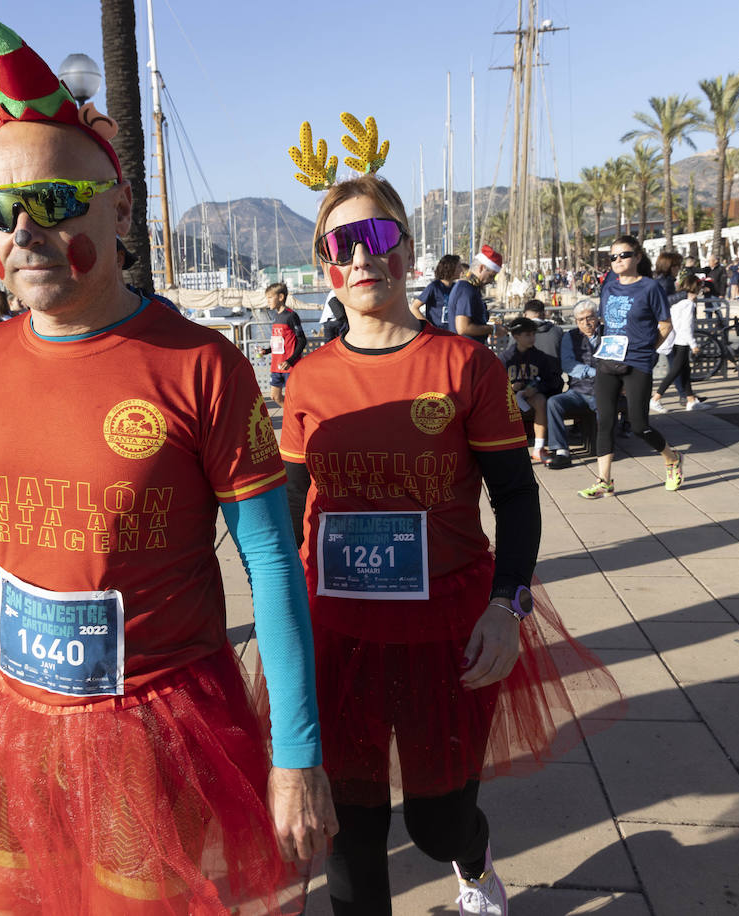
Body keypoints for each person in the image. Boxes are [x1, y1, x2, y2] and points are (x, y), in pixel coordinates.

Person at [0, 8, 336, 913]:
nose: (24, 230)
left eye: (57, 202)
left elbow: (272, 560)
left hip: (156, 726)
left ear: (118, 206)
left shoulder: (200, 366)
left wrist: (297, 755)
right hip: (14, 720)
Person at [279, 171, 618, 915]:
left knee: (438, 823)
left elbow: (518, 498)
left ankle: (474, 861)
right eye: (343, 244)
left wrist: (509, 606)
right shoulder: (306, 380)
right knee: (352, 829)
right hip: (336, 629)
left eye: (379, 238)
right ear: (324, 268)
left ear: (407, 250)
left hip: (449, 625)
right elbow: (281, 508)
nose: (363, 258)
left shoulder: (467, 366)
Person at [579, 235, 685, 498]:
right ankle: (604, 480)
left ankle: (671, 458)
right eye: (612, 256)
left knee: (639, 425)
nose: (617, 260)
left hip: (637, 362)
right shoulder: (609, 285)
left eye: (623, 255)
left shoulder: (650, 287)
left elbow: (665, 325)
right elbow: (607, 321)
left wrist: (648, 350)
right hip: (608, 360)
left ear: (637, 257)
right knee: (604, 421)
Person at [545, 302, 603, 470]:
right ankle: (561, 451)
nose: (586, 323)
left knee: (605, 404)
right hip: (578, 390)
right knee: (553, 403)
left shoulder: (607, 334)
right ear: (576, 322)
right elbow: (568, 365)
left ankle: (604, 446)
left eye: (589, 318)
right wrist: (594, 372)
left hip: (603, 389)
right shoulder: (569, 337)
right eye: (581, 320)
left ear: (597, 318)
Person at [501, 315, 562, 462]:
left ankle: (538, 448)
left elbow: (552, 381)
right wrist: (510, 387)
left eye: (533, 334)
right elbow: (494, 385)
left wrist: (537, 388)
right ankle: (505, 448)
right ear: (516, 336)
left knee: (541, 400)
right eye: (528, 335)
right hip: (510, 398)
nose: (532, 338)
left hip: (532, 397)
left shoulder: (540, 357)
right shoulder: (504, 358)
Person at [651, 274, 708, 411]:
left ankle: (691, 400)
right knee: (675, 371)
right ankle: (655, 398)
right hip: (682, 341)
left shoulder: (679, 302)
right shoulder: (688, 304)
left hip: (675, 339)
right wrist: (694, 345)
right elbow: (687, 327)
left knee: (684, 370)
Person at [261, 281, 308, 405]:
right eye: (267, 298)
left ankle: (296, 421)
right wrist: (266, 350)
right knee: (275, 397)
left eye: (270, 297)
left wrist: (290, 361)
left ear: (281, 297)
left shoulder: (291, 316)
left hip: (289, 365)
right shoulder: (276, 316)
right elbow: (278, 341)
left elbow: (302, 340)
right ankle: (292, 418)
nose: (268, 301)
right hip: (276, 365)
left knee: (294, 398)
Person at [449, 245, 500, 343]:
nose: (491, 281)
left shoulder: (470, 288)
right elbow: (463, 328)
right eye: (491, 276)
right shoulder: (466, 290)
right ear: (481, 268)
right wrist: (492, 329)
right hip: (465, 352)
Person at [414, 254, 459, 329]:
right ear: (451, 268)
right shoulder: (434, 287)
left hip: (453, 333)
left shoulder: (457, 287)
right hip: (438, 333)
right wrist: (429, 326)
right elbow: (414, 308)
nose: (461, 270)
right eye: (459, 267)